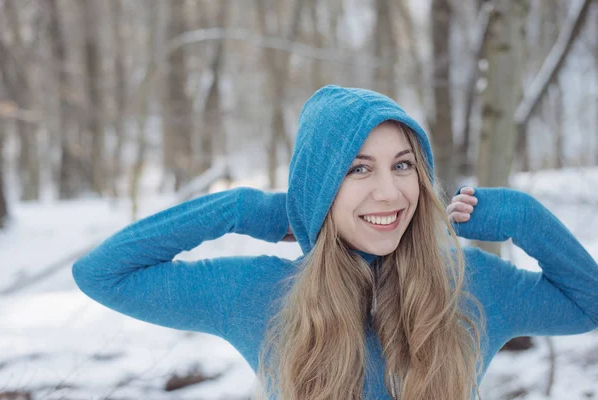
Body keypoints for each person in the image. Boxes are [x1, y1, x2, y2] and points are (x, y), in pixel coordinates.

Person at [72, 85, 598, 400]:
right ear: (318, 189)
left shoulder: (468, 283)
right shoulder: (261, 292)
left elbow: (588, 305)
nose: (389, 192)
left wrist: (525, 218)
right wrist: (243, 210)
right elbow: (102, 273)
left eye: (403, 166)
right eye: (357, 169)